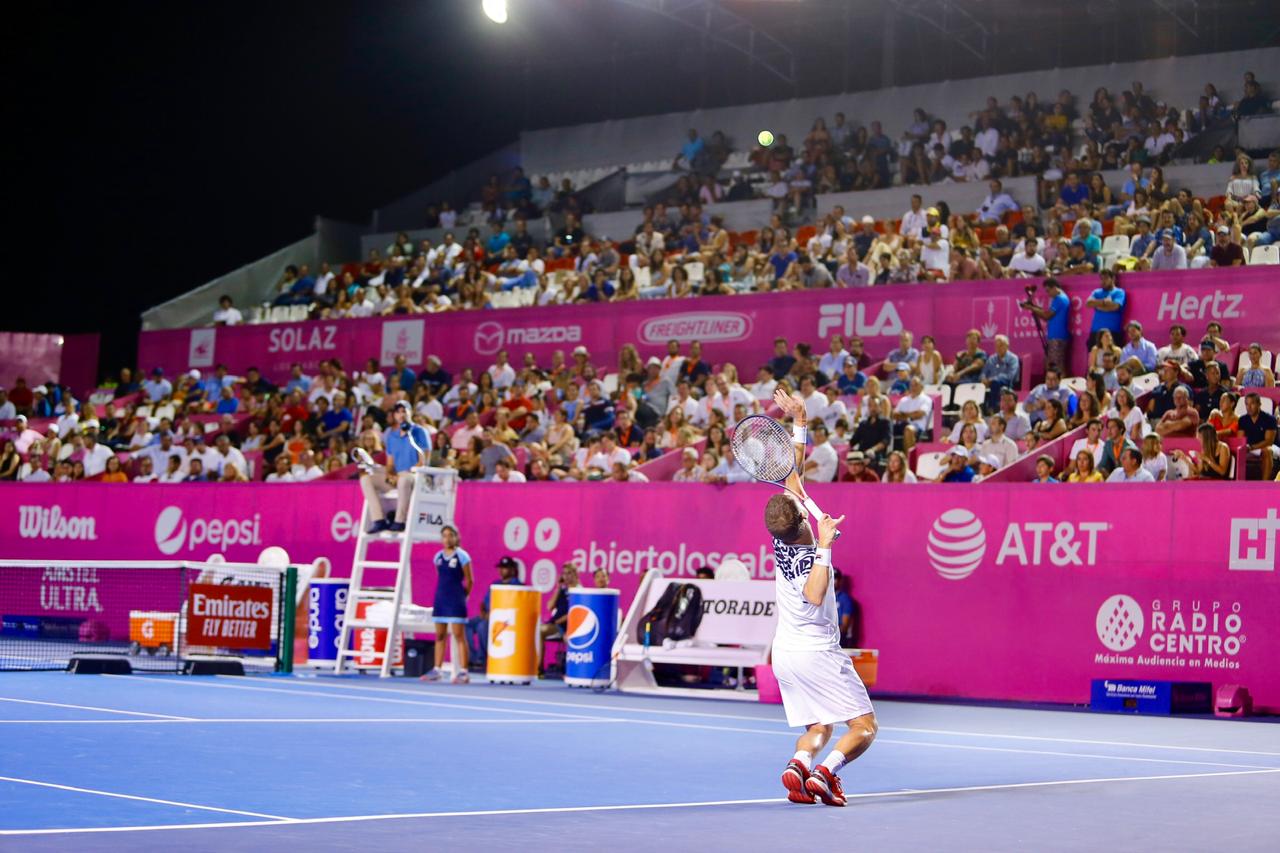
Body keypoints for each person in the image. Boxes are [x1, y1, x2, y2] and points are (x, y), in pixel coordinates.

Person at [769, 388, 876, 808]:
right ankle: (826, 773)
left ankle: (799, 764)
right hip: (816, 653)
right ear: (802, 520)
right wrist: (825, 546)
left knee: (818, 725)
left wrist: (800, 421)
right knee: (864, 726)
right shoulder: (810, 556)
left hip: (785, 654)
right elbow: (814, 594)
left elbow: (792, 474)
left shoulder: (782, 533)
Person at [356, 401, 430, 533]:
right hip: (397, 477)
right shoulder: (392, 437)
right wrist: (391, 475)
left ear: (410, 412)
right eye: (398, 412)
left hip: (414, 476)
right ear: (394, 415)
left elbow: (423, 461)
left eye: (404, 411)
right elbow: (390, 464)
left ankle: (400, 521)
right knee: (366, 479)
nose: (401, 414)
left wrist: (402, 474)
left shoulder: (419, 432)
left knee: (404, 479)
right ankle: (379, 520)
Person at [419, 525, 472, 684]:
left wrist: (462, 596)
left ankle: (464, 672)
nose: (447, 539)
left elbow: (469, 580)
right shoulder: (438, 557)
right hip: (441, 600)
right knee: (440, 635)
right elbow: (442, 577)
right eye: (444, 536)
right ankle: (437, 670)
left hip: (456, 601)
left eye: (450, 535)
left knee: (459, 635)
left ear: (456, 537)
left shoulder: (462, 556)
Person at [466, 555, 522, 669]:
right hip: (487, 615)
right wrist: (482, 611)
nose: (501, 570)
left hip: (501, 618)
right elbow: (483, 602)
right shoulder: (495, 584)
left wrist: (492, 615)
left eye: (505, 568)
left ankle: (482, 659)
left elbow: (511, 606)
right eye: (500, 568)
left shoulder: (517, 585)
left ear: (512, 569)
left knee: (482, 626)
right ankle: (471, 657)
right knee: (466, 625)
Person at [1019, 278, 1071, 376]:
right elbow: (1046, 313)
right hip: (1057, 336)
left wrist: (1031, 308)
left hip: (1057, 337)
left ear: (1054, 288)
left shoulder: (1059, 299)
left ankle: (1061, 383)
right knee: (1055, 364)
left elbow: (1047, 315)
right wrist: (1033, 307)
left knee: (1056, 366)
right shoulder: (1061, 298)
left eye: (1048, 290)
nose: (1048, 294)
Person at [1240, 393, 1278, 481]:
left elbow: (1269, 441)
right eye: (1247, 404)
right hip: (1250, 447)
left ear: (1259, 404)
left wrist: (1252, 447)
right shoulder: (1242, 420)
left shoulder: (1269, 419)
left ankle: (1264, 484)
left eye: (1252, 404)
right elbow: (1240, 439)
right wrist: (1246, 447)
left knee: (1267, 451)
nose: (1249, 407)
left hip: (1268, 446)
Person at [1085, 269, 1125, 350]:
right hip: (1096, 332)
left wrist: (1098, 306)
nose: (1103, 281)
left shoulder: (1119, 292)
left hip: (1113, 332)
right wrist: (1104, 302)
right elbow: (1088, 303)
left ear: (1113, 279)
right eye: (1101, 279)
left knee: (1113, 356)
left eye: (1106, 278)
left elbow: (1115, 306)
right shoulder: (1096, 292)